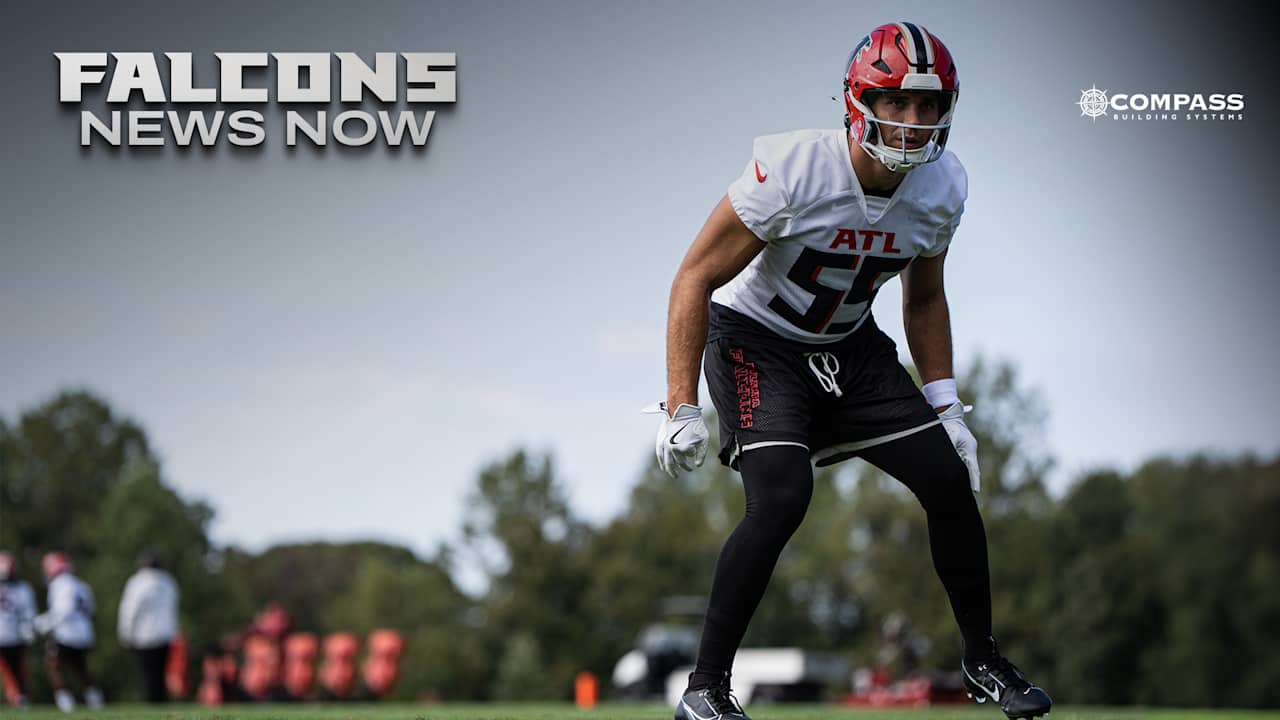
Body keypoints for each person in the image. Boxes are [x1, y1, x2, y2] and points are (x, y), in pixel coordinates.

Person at [648, 21, 1052, 720]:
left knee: (947, 481)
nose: (913, 121)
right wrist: (680, 403)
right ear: (860, 102)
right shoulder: (795, 170)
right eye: (897, 101)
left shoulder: (941, 187)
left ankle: (983, 660)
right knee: (781, 496)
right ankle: (704, 687)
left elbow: (923, 298)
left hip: (851, 345)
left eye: (927, 105)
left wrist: (948, 407)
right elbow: (695, 276)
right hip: (759, 341)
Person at [34, 551, 103, 712]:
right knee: (81, 669)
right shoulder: (80, 584)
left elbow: (64, 611)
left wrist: (41, 624)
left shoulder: (61, 584)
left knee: (53, 666)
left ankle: (65, 702)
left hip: (67, 634)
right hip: (84, 633)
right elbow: (91, 609)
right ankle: (95, 700)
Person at [117, 550, 180, 703]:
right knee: (160, 673)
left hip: (144, 635)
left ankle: (152, 702)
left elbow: (129, 610)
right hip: (165, 634)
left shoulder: (137, 582)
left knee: (147, 674)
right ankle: (160, 703)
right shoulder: (168, 582)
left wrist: (125, 633)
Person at [0, 551, 36, 708]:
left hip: (15, 635)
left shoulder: (23, 588)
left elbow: (28, 612)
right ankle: (18, 697)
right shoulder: (23, 588)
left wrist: (28, 627)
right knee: (11, 671)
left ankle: (20, 697)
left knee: (17, 670)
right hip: (9, 635)